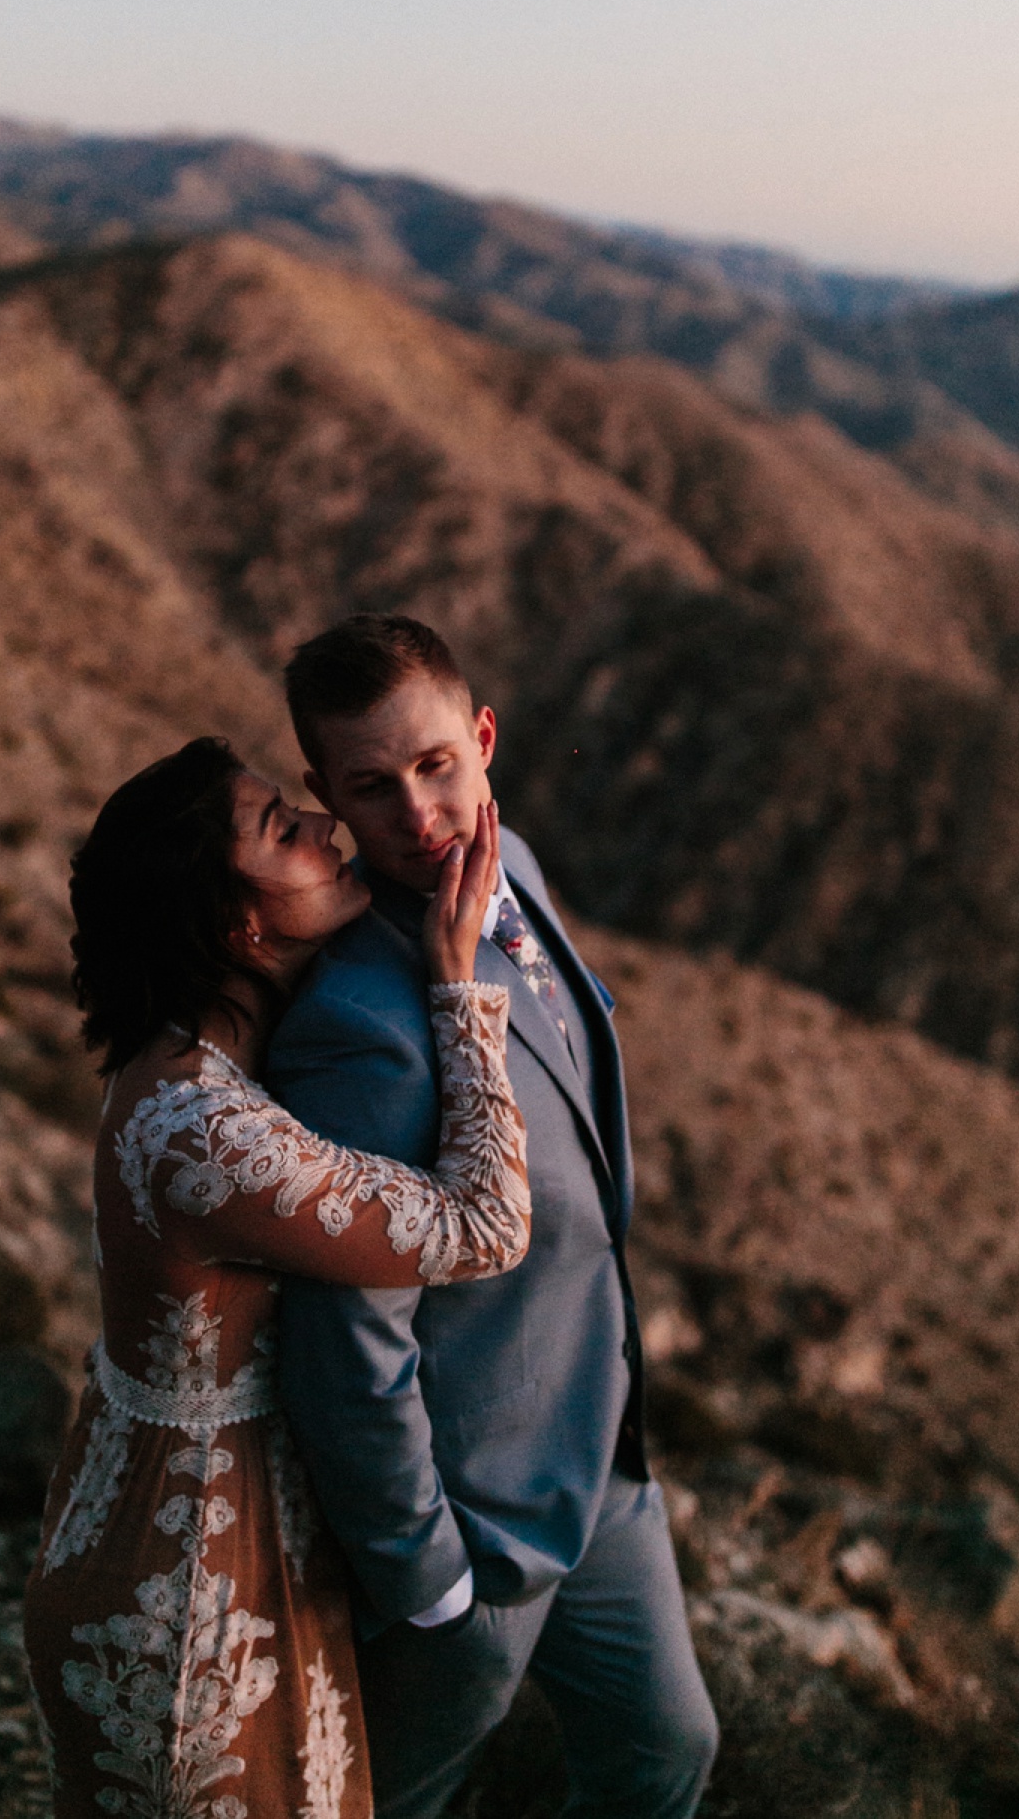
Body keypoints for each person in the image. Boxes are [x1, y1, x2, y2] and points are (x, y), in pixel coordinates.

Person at [23, 735, 530, 1819]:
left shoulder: (187, 1061)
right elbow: (486, 1224)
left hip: (193, 1542)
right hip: (189, 1600)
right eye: (280, 830)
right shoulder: (207, 1131)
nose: (324, 828)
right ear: (237, 927)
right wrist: (458, 990)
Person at [263, 614, 719, 1819]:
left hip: (604, 1455)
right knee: (398, 1800)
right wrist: (428, 1582)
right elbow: (348, 1337)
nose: (417, 814)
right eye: (370, 787)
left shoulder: (508, 866)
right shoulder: (359, 1026)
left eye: (435, 766)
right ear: (327, 795)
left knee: (667, 1753)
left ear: (483, 739)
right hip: (477, 1524)